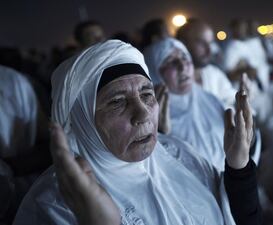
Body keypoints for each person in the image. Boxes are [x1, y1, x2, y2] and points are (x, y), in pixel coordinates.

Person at [12, 40, 255, 225]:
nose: (143, 114)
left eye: (147, 95)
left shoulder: (178, 154)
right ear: (82, 121)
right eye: (117, 102)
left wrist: (239, 168)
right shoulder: (57, 204)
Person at [144, 38, 261, 171]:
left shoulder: (210, 99)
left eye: (184, 57)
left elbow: (241, 147)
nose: (182, 66)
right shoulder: (151, 120)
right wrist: (160, 136)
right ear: (154, 72)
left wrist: (246, 124)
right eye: (170, 61)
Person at [0, 65, 51, 223]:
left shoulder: (14, 81)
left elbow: (49, 139)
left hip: (17, 197)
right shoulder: (15, 80)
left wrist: (11, 167)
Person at [176, 19, 237, 108]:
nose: (209, 50)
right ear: (182, 43)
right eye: (201, 43)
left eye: (210, 43)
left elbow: (231, 99)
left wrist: (242, 101)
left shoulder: (214, 74)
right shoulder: (170, 79)